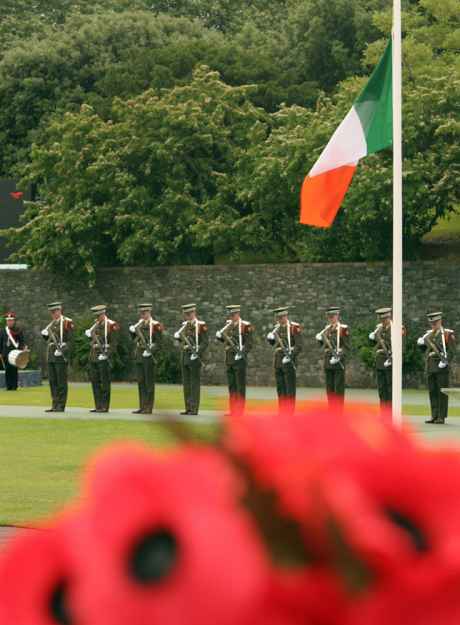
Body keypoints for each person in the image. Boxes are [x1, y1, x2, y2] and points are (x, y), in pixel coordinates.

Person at [417, 311, 456, 424]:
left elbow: (452, 351)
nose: (433, 325)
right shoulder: (428, 335)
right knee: (432, 391)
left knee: (441, 392)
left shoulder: (447, 334)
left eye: (435, 322)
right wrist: (421, 345)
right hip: (431, 366)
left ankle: (441, 416)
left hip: (441, 367)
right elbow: (424, 350)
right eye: (432, 323)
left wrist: (446, 361)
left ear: (440, 321)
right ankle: (434, 415)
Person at [216, 305, 254, 417]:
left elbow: (249, 343)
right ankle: (233, 410)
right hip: (229, 359)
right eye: (230, 315)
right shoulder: (228, 326)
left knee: (239, 386)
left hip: (239, 359)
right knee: (232, 386)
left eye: (233, 315)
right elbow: (223, 338)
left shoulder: (245, 326)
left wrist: (242, 353)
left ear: (238, 314)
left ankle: (240, 411)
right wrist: (219, 336)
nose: (232, 317)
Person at [129, 303, 164, 415]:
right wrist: (132, 332)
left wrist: (150, 351)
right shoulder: (139, 324)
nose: (142, 315)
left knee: (149, 383)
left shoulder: (155, 325)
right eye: (141, 313)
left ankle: (149, 407)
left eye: (144, 313)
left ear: (149, 312)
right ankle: (142, 406)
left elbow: (159, 343)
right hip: (139, 355)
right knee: (141, 382)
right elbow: (134, 339)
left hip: (149, 356)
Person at [267, 307, 302, 416]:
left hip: (289, 359)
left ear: (286, 316)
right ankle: (282, 411)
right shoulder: (276, 329)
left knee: (289, 387)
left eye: (282, 317)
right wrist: (270, 339)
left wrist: (291, 356)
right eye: (278, 317)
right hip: (278, 360)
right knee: (280, 387)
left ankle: (290, 412)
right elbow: (274, 345)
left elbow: (299, 345)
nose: (280, 319)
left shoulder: (293, 327)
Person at [174, 304, 208, 416]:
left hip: (195, 357)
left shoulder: (201, 325)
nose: (188, 316)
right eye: (186, 314)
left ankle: (194, 408)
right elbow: (181, 339)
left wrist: (197, 352)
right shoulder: (184, 326)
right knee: (186, 384)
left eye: (190, 314)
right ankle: (188, 407)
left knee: (194, 383)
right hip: (185, 356)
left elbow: (204, 342)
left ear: (194, 313)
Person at [85, 305, 120, 413]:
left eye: (99, 315)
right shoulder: (95, 325)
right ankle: (98, 405)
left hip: (104, 356)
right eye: (96, 316)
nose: (97, 318)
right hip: (94, 356)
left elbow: (114, 343)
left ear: (103, 314)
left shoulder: (111, 325)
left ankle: (105, 406)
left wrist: (107, 354)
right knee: (95, 382)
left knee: (104, 382)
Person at [41, 302, 74, 412]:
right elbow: (49, 340)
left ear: (60, 310)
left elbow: (70, 340)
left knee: (61, 381)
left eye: (55, 312)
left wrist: (63, 350)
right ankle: (54, 404)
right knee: (53, 381)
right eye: (52, 312)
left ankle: (61, 405)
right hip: (51, 355)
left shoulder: (67, 322)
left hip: (61, 355)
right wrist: (45, 335)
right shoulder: (51, 324)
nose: (53, 314)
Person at [315, 307, 350, 409]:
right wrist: (319, 339)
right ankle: (332, 412)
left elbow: (347, 347)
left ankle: (338, 412)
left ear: (337, 316)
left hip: (338, 362)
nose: (331, 319)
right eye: (329, 317)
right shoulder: (326, 329)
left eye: (333, 316)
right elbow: (322, 345)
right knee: (329, 389)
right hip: (328, 361)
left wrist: (340, 355)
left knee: (338, 388)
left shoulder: (343, 329)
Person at [369, 307, 398, 414]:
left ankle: (392, 412)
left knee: (390, 389)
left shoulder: (396, 328)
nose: (383, 322)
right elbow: (373, 344)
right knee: (382, 390)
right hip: (380, 362)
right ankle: (384, 412)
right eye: (381, 320)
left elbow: (400, 347)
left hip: (390, 362)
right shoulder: (379, 329)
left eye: (384, 319)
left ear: (389, 317)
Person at [0, 312, 26, 391]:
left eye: (11, 320)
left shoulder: (18, 330)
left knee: (14, 370)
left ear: (14, 321)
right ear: (6, 321)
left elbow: (21, 341)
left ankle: (14, 386)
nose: (9, 322)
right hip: (5, 353)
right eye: (8, 321)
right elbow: (0, 342)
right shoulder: (3, 331)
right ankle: (9, 387)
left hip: (14, 354)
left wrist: (21, 351)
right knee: (7, 370)